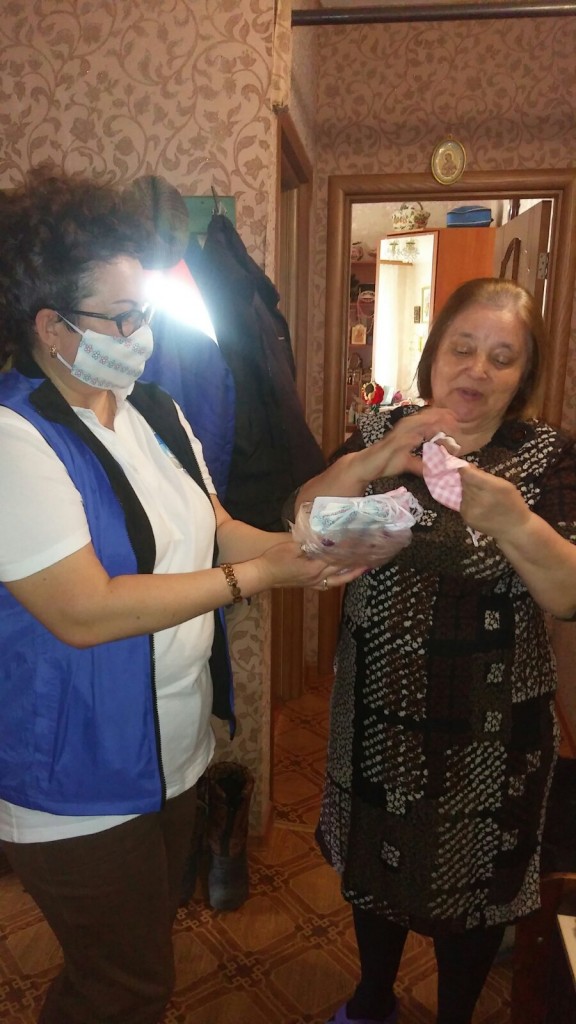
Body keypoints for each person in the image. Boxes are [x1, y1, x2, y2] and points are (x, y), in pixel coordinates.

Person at [0, 167, 361, 1024]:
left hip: (173, 744)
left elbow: (216, 526)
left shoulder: (151, 409)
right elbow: (83, 609)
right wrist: (258, 577)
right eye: (122, 318)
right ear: (50, 326)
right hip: (78, 769)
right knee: (122, 986)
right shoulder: (15, 440)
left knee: (138, 956)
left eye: (146, 312)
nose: (143, 335)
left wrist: (300, 551)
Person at [293, 278, 576, 1024]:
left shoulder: (547, 457)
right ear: (434, 354)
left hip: (493, 728)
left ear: (523, 374)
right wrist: (376, 458)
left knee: (475, 885)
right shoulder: (383, 429)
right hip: (376, 705)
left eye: (502, 357)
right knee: (375, 861)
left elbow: (569, 595)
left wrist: (514, 522)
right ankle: (372, 997)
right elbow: (305, 524)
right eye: (463, 348)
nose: (477, 369)